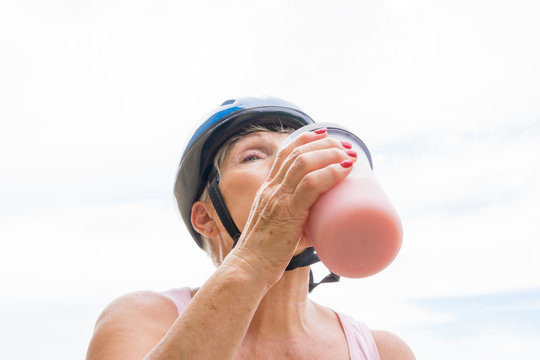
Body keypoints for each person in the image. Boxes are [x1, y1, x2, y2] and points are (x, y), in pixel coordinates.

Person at [86, 97, 415, 359]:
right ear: (206, 218)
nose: (295, 162)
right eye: (253, 156)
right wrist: (255, 258)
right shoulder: (143, 319)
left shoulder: (384, 352)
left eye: (300, 149)